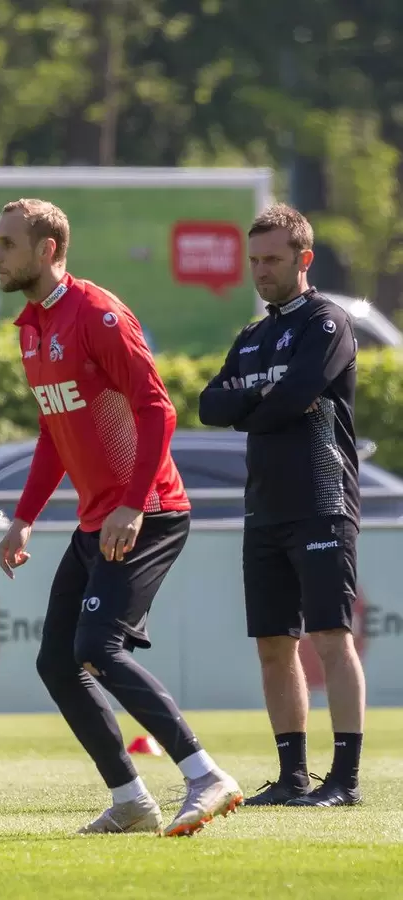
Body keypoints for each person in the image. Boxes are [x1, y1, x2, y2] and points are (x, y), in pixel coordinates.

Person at [0, 198, 243, 836]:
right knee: (57, 661)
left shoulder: (98, 314)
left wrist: (133, 503)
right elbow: (55, 432)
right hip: (95, 520)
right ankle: (132, 799)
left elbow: (158, 410)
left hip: (148, 510)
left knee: (97, 648)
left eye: (6, 244)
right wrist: (24, 517)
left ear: (47, 249)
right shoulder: (29, 328)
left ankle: (205, 775)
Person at [198, 203, 365, 807]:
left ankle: (344, 780)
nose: (261, 271)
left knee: (329, 635)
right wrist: (258, 398)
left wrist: (253, 400)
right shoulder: (252, 335)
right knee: (273, 643)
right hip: (264, 506)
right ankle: (292, 776)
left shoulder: (326, 321)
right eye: (255, 260)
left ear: (303, 259)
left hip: (321, 499)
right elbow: (208, 406)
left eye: (273, 259)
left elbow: (295, 395)